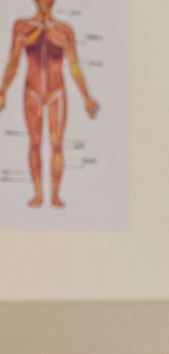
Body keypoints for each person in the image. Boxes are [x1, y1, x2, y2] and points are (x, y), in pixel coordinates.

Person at [0, 0, 100, 208]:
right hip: (32, 90)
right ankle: (37, 194)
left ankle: (55, 195)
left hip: (57, 91)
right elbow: (13, 61)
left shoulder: (64, 30)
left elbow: (74, 66)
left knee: (57, 144)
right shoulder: (22, 26)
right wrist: (3, 90)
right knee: (35, 142)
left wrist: (86, 96)